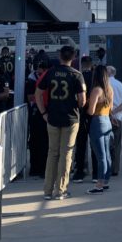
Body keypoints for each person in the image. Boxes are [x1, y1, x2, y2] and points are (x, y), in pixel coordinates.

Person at [35, 45, 86, 201]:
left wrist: (43, 112)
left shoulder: (50, 73)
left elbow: (38, 93)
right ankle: (61, 190)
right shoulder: (77, 75)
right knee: (66, 154)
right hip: (70, 119)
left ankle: (47, 190)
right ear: (74, 57)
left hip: (52, 117)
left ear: (59, 56)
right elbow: (82, 101)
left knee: (52, 153)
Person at [86, 64, 114, 193]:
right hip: (107, 120)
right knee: (106, 154)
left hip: (97, 121)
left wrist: (87, 103)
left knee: (100, 155)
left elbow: (91, 111)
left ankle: (99, 184)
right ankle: (106, 180)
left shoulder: (96, 90)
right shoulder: (109, 89)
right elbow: (111, 108)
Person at [72, 56, 97, 182]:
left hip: (81, 113)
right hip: (93, 113)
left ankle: (80, 171)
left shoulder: (78, 77)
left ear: (82, 65)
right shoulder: (95, 77)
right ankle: (96, 173)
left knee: (81, 144)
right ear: (91, 64)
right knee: (94, 144)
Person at [26, 57, 49, 177]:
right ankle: (36, 168)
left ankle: (40, 168)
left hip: (40, 111)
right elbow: (30, 97)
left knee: (42, 141)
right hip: (38, 112)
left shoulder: (39, 78)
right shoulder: (33, 79)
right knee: (37, 141)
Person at [107, 65, 122, 176]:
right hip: (117, 118)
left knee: (106, 143)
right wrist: (115, 112)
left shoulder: (104, 85)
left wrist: (110, 113)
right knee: (117, 143)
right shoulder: (120, 85)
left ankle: (106, 166)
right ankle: (115, 168)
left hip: (105, 117)